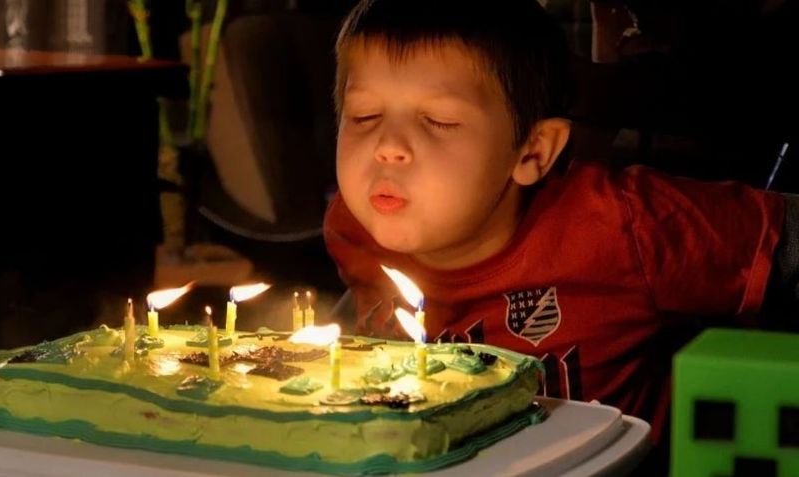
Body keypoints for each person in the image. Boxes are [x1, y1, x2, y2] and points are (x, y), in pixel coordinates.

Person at [322, 0, 798, 465]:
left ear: (533, 153)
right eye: (364, 116)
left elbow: (784, 236)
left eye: (439, 121)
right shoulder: (353, 228)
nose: (387, 147)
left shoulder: (620, 224)